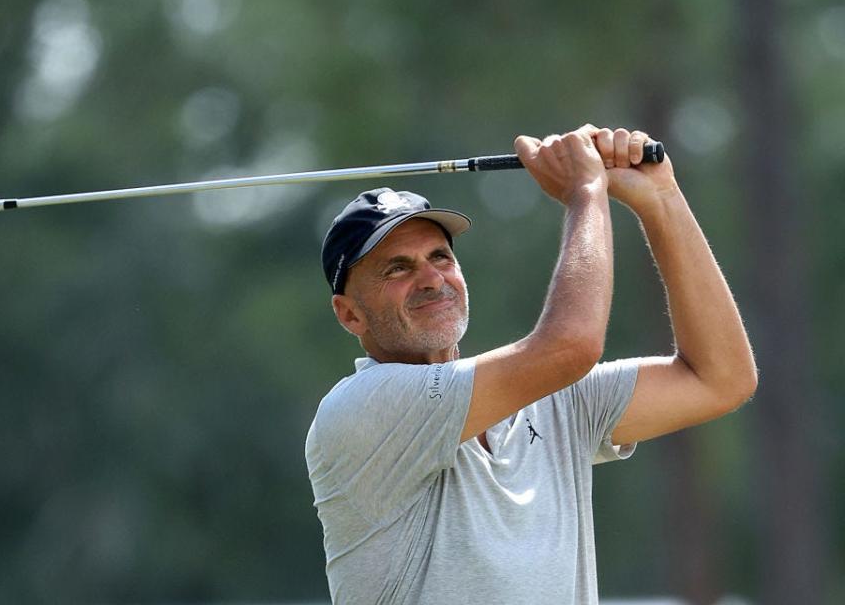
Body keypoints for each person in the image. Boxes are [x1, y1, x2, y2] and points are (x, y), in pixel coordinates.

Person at [305, 125, 757, 604]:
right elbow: (571, 347)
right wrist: (586, 193)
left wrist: (660, 199)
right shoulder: (362, 409)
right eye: (397, 268)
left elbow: (720, 378)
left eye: (440, 257)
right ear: (349, 313)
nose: (432, 279)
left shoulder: (547, 397)